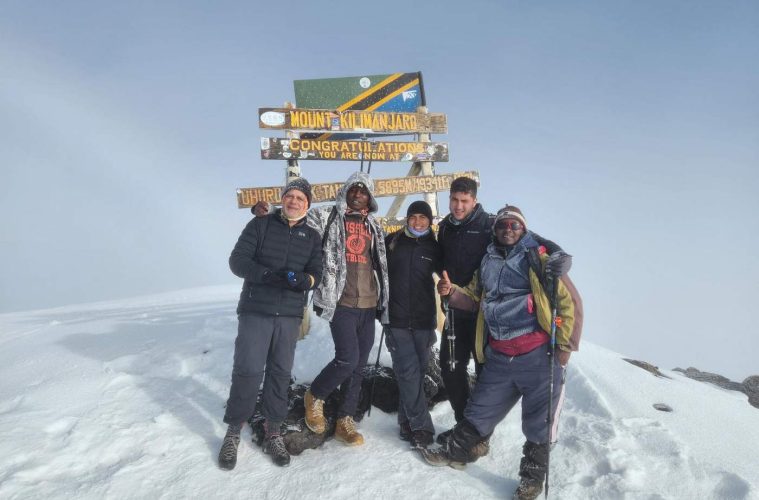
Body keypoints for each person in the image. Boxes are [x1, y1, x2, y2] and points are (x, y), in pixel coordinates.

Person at [423, 205, 583, 500]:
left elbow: (569, 301)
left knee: (539, 423)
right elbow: (475, 297)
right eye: (502, 225)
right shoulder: (488, 260)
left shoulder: (539, 258)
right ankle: (457, 451)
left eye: (514, 225)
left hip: (537, 355)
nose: (508, 229)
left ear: (523, 229)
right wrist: (452, 292)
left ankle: (531, 481)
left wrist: (564, 347)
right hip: (499, 354)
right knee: (479, 410)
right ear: (495, 230)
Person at [256, 172, 390, 446]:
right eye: (353, 189)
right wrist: (269, 211)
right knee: (347, 358)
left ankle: (345, 419)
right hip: (339, 301)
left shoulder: (375, 226)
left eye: (363, 191)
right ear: (345, 192)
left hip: (369, 303)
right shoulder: (327, 216)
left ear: (370, 197)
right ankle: (315, 396)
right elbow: (296, 217)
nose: (358, 194)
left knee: (358, 365)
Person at [435, 177, 572, 444]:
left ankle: (478, 433)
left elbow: (531, 237)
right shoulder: (445, 229)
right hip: (457, 305)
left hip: (486, 316)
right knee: (451, 370)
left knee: (485, 372)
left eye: (465, 201)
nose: (459, 206)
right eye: (454, 200)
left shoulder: (491, 224)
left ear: (474, 201)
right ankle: (465, 427)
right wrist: (448, 291)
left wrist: (559, 254)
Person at [218, 178, 323, 470]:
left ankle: (273, 430)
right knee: (248, 369)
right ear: (282, 199)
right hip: (256, 310)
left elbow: (317, 273)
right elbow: (237, 261)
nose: (294, 201)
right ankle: (234, 430)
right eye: (290, 196)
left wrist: (304, 280)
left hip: (289, 315)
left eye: (300, 198)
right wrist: (266, 275)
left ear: (307, 204)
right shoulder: (260, 225)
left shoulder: (312, 236)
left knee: (280, 372)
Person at [384, 200, 442, 449]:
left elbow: (449, 275)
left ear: (430, 221)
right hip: (396, 319)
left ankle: (405, 420)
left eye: (423, 218)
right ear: (407, 219)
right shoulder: (392, 242)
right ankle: (422, 427)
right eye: (413, 217)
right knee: (407, 371)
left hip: (424, 320)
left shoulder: (435, 247)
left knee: (415, 372)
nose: (418, 222)